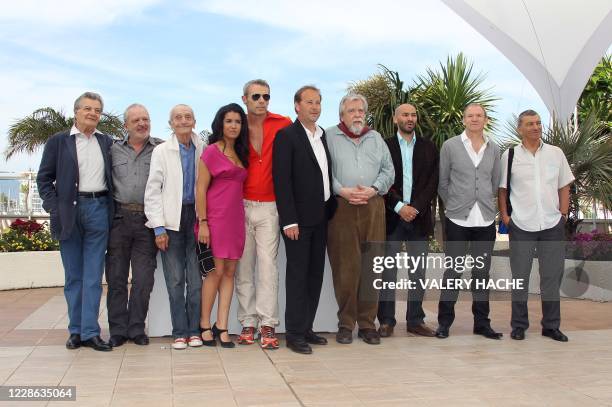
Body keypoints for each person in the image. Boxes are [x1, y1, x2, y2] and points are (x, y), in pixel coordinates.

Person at [37, 91, 114, 351]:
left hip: (98, 209)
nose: (93, 113)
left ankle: (91, 332)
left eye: (97, 110)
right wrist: (53, 207)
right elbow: (44, 178)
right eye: (87, 109)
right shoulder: (59, 142)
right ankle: (75, 331)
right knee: (74, 277)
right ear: (76, 112)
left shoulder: (107, 142)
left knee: (93, 276)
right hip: (69, 212)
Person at [499, 109, 574, 342]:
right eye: (530, 124)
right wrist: (505, 217)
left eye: (538, 123)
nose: (536, 127)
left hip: (552, 224)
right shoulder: (510, 155)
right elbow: (502, 189)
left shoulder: (555, 153)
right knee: (520, 277)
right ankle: (519, 325)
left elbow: (564, 186)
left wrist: (562, 214)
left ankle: (551, 326)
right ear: (520, 129)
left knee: (551, 277)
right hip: (521, 224)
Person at [273, 85, 337, 354]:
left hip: (322, 217)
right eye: (309, 102)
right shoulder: (286, 136)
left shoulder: (323, 136)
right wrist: (289, 220)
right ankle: (294, 334)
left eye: (318, 102)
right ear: (297, 106)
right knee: (297, 277)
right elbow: (282, 180)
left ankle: (307, 327)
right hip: (297, 222)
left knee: (315, 275)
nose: (314, 107)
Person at [326, 93, 394, 345]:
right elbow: (322, 170)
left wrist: (374, 189)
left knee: (372, 264)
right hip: (342, 207)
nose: (357, 115)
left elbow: (389, 170)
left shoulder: (375, 138)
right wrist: (341, 190)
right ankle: (345, 323)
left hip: (373, 206)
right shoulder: (329, 136)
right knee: (346, 268)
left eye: (360, 111)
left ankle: (367, 324)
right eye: (351, 110)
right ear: (341, 114)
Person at [436, 103, 503, 340]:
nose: (474, 119)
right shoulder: (450, 146)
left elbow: (494, 183)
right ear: (463, 120)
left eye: (479, 116)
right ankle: (444, 323)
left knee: (481, 274)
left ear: (485, 120)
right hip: (457, 219)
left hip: (484, 219)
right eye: (470, 116)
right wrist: (454, 203)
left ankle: (482, 323)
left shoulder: (494, 148)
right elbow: (442, 182)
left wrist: (482, 202)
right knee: (452, 272)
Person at [236, 79, 292, 349]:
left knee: (268, 268)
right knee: (244, 267)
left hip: (270, 207)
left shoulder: (283, 123)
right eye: (256, 96)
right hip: (239, 206)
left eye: (266, 96)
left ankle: (268, 324)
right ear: (245, 98)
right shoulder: (234, 125)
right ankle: (248, 322)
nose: (261, 100)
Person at [144, 104, 204, 350]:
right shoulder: (161, 151)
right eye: (177, 118)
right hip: (171, 221)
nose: (183, 121)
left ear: (194, 121)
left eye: (187, 116)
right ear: (171, 123)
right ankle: (179, 331)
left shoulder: (203, 148)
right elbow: (152, 191)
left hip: (197, 219)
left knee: (197, 281)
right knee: (176, 280)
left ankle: (194, 330)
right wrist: (158, 228)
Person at [378, 103, 439, 338]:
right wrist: (399, 206)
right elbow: (381, 178)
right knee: (388, 272)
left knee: (418, 273)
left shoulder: (429, 147)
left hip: (419, 218)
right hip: (391, 217)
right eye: (405, 114)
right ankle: (386, 320)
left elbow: (432, 182)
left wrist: (416, 208)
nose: (410, 118)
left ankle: (415, 320)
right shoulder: (384, 146)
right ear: (395, 119)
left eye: (413, 114)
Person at [105, 104, 162, 347]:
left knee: (143, 279)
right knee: (116, 278)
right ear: (126, 125)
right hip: (118, 220)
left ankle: (137, 327)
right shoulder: (112, 149)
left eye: (146, 119)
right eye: (136, 120)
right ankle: (118, 330)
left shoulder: (160, 149)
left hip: (147, 222)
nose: (142, 123)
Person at [196, 103, 249, 348]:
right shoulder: (210, 152)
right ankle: (205, 324)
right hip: (215, 220)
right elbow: (200, 189)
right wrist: (203, 223)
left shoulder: (241, 153)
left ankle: (222, 326)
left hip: (236, 221)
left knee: (229, 273)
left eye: (238, 121)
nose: (233, 125)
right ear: (221, 123)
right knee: (214, 273)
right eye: (229, 121)